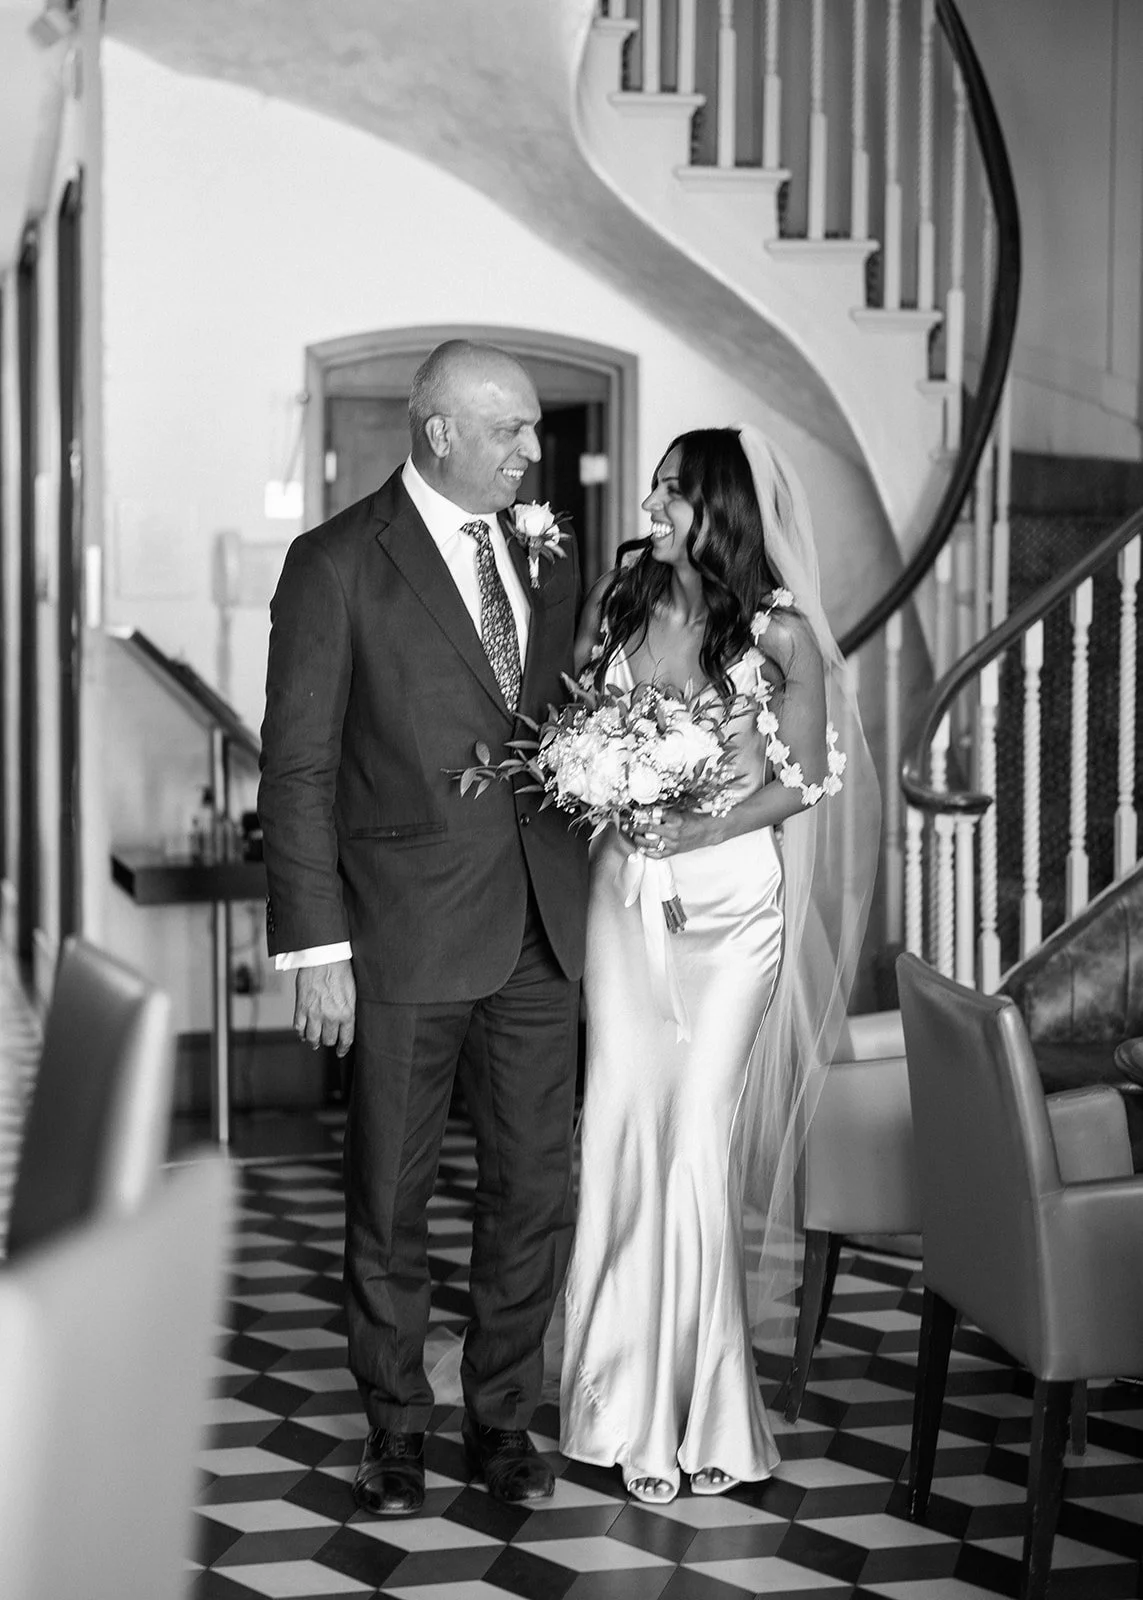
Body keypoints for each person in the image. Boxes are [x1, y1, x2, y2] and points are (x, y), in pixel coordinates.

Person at [258, 340, 589, 1516]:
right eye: (510, 431)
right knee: (390, 1198)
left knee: (533, 1191)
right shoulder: (337, 562)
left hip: (543, 933)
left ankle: (504, 1418)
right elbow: (295, 770)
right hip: (398, 937)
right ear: (439, 429)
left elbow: (562, 729)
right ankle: (395, 1425)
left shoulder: (549, 558)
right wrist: (316, 948)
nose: (532, 451)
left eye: (536, 429)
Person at [559, 425, 879, 1503]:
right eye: (651, 488)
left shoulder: (778, 633)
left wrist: (706, 825)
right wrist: (597, 773)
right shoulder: (622, 595)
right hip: (623, 898)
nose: (652, 505)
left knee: (693, 1136)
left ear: (723, 508)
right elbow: (576, 721)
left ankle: (698, 1415)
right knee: (617, 1126)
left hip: (731, 909)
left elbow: (813, 778)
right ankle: (618, 1409)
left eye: (672, 492)